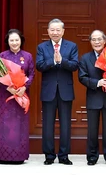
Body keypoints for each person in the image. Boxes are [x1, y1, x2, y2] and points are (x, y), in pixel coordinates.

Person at [36, 18, 78, 165]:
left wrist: (62, 61)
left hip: (65, 91)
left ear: (63, 31)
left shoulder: (71, 46)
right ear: (48, 31)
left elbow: (74, 65)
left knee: (65, 124)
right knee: (48, 125)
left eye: (58, 30)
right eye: (52, 30)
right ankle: (49, 155)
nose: (55, 32)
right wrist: (53, 62)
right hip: (49, 91)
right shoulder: (42, 47)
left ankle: (64, 155)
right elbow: (39, 66)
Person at [78, 30, 106, 166]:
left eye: (99, 39)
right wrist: (97, 83)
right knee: (92, 130)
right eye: (94, 39)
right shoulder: (85, 58)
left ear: (104, 40)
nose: (97, 42)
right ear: (90, 42)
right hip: (93, 98)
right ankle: (92, 157)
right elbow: (82, 77)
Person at [0, 29, 35, 165]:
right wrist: (9, 88)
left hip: (21, 95)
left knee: (20, 125)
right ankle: (2, 156)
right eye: (11, 40)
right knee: (5, 124)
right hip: (6, 95)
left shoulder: (27, 56)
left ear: (21, 40)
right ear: (8, 41)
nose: (14, 43)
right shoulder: (2, 55)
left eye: (17, 40)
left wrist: (25, 86)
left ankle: (19, 156)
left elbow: (31, 74)